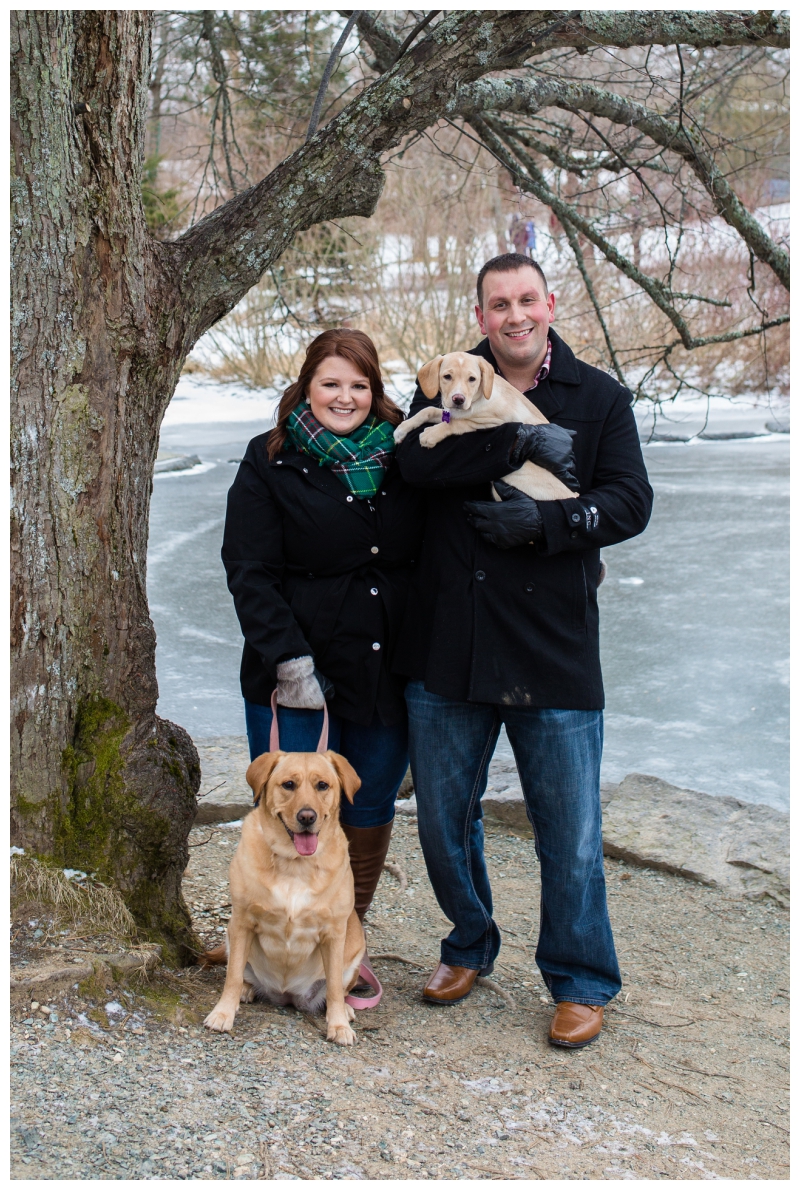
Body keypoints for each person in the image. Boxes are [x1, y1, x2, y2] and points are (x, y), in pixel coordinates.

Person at [394, 253, 653, 1049]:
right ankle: (469, 942)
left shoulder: (599, 396)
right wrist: (514, 448)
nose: (515, 315)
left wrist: (547, 526)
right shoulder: (447, 382)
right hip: (452, 640)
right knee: (442, 820)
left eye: (526, 300)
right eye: (498, 304)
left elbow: (628, 502)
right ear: (481, 317)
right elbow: (414, 462)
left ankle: (578, 980)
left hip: (553, 644)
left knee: (569, 831)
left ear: (549, 304)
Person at [222, 328, 425, 942]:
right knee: (289, 808)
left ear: (376, 391)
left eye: (359, 385)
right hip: (293, 670)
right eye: (331, 383)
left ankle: (342, 943)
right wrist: (290, 662)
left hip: (383, 664)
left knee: (365, 807)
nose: (345, 397)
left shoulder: (408, 454)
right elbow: (248, 569)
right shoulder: (269, 458)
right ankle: (268, 937)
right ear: (306, 386)